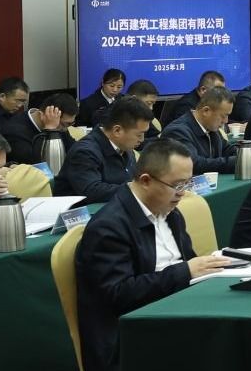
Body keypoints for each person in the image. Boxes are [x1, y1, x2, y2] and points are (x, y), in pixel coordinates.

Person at [75, 139, 233, 371]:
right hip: (133, 335)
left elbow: (187, 265)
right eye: (177, 185)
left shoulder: (170, 212)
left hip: (177, 311)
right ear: (146, 181)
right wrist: (185, 271)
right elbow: (118, 295)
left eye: (187, 184)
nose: (183, 193)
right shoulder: (108, 227)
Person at [55, 96, 147, 205]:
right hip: (83, 212)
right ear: (117, 130)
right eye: (139, 134)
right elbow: (92, 191)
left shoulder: (124, 147)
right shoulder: (84, 152)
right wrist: (136, 189)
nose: (142, 139)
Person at [162, 88, 251, 174]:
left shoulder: (210, 127)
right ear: (206, 111)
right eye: (223, 116)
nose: (226, 121)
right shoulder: (177, 131)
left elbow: (227, 150)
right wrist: (238, 162)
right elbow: (194, 164)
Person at [5, 92, 75, 166]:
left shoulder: (61, 125)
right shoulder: (14, 131)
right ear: (45, 114)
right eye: (64, 124)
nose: (65, 129)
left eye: (70, 124)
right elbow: (38, 163)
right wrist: (50, 130)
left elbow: (74, 149)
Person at [77, 68, 125, 134]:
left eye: (119, 87)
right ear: (102, 83)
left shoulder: (124, 100)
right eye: (112, 86)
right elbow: (81, 129)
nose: (115, 90)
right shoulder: (87, 103)